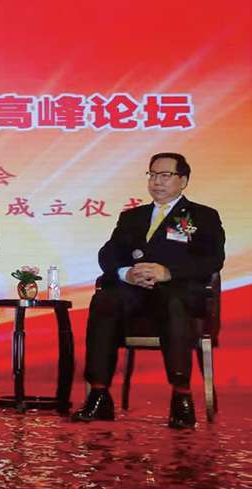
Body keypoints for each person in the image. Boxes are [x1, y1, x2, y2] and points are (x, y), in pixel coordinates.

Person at [72, 153, 225, 429]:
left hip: (176, 292)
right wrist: (126, 273)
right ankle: (99, 394)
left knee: (174, 302)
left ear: (183, 180)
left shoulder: (203, 216)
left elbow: (212, 260)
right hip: (134, 293)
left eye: (165, 175)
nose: (157, 181)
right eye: (152, 175)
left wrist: (168, 272)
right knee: (104, 300)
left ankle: (181, 396)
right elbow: (108, 254)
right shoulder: (132, 217)